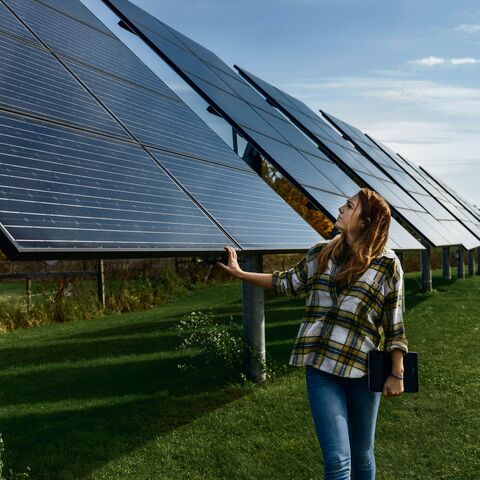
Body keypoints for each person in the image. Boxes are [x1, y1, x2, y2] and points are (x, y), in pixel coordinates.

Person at [217, 188, 408, 480]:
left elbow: (395, 325)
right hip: (321, 367)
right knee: (337, 460)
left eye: (350, 206)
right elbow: (286, 282)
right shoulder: (321, 253)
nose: (341, 209)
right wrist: (241, 274)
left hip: (363, 371)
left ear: (365, 222)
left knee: (362, 454)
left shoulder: (388, 265)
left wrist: (397, 374)